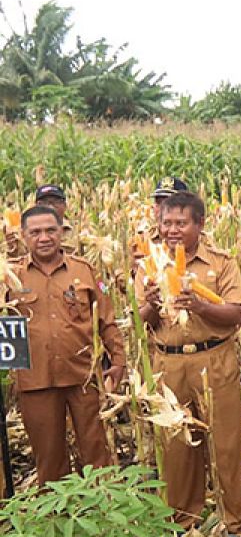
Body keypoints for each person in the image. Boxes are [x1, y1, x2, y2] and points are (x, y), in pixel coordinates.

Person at [135, 192, 241, 537]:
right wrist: (153, 304)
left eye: (181, 223)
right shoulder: (150, 268)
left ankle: (236, 524)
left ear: (199, 224)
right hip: (168, 365)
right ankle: (184, 523)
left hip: (213, 361)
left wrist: (201, 306)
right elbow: (139, 322)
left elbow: (235, 313)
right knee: (175, 448)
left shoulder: (222, 263)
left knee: (228, 446)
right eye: (166, 223)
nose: (172, 230)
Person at [4, 206, 125, 486]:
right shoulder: (11, 277)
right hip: (35, 379)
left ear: (62, 232)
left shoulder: (84, 271)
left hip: (84, 376)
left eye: (50, 230)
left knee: (96, 449)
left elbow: (106, 320)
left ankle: (103, 509)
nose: (44, 237)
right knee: (48, 456)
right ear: (23, 236)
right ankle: (57, 517)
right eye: (35, 232)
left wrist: (118, 361)